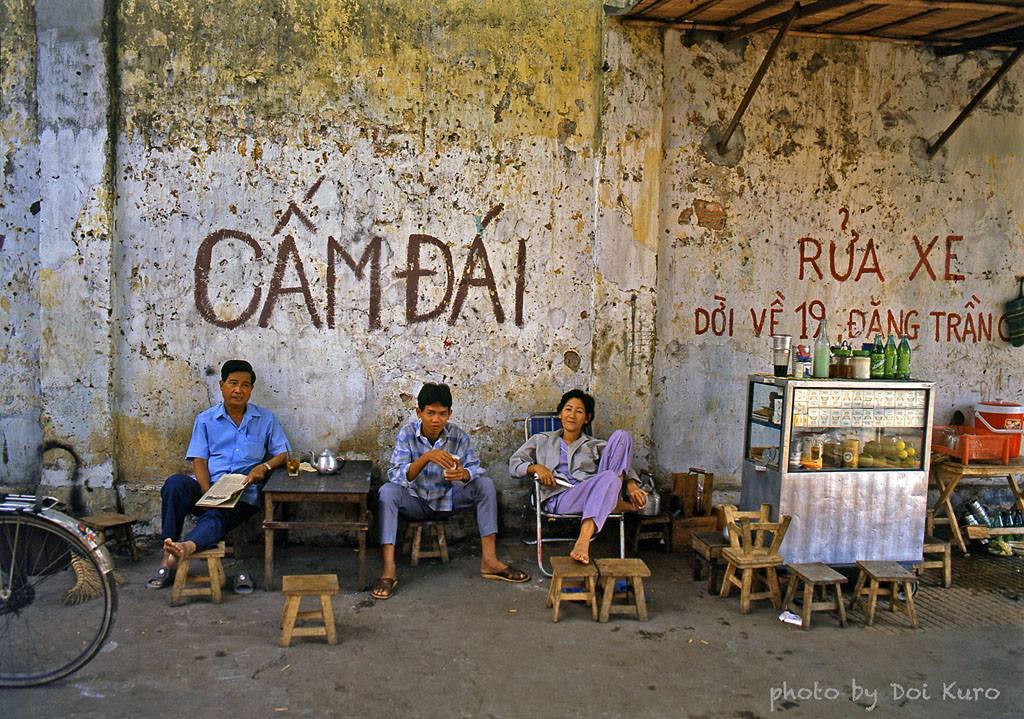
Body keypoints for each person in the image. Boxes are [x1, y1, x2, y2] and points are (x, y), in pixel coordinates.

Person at [372, 382, 529, 600]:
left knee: (485, 485)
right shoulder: (407, 435)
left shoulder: (458, 436)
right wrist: (426, 458)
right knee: (387, 492)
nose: (436, 419)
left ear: (450, 414)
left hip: (448, 501)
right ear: (419, 412)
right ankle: (389, 570)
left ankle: (490, 561)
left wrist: (463, 474)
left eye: (442, 414)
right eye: (430, 413)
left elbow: (474, 468)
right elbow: (396, 474)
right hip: (415, 502)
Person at [147, 359, 290, 590]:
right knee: (175, 485)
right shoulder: (205, 419)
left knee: (216, 515)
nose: (238, 390)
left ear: (251, 390)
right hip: (208, 487)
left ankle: (185, 549)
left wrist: (263, 468)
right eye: (233, 383)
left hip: (243, 494)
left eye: (245, 385)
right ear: (221, 385)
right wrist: (207, 493)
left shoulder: (265, 419)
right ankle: (169, 548)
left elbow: (283, 453)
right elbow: (199, 459)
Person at [509, 389, 649, 565]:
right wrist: (536, 467)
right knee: (610, 479)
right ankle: (610, 504)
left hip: (592, 489)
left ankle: (585, 536)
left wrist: (632, 486)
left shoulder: (594, 444)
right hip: (559, 495)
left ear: (587, 418)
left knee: (623, 437)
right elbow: (514, 464)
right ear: (560, 414)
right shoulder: (541, 440)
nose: (572, 415)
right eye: (568, 409)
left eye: (579, 411)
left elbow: (622, 466)